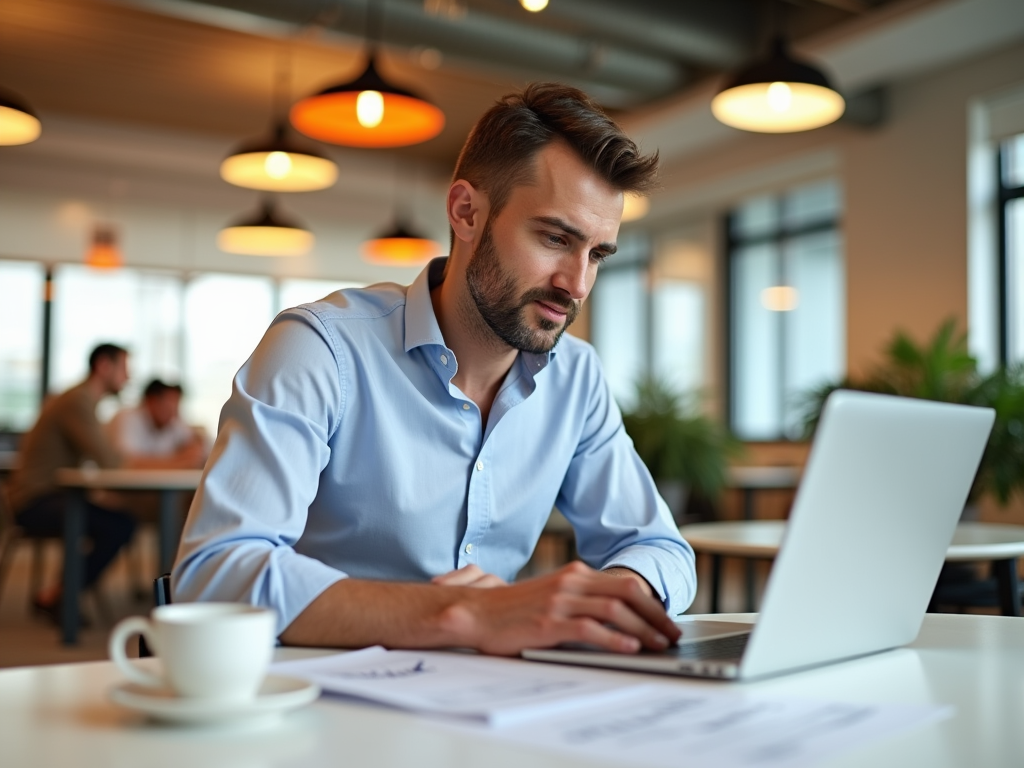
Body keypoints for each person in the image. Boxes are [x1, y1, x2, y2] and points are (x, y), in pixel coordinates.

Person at [174, 83, 696, 655]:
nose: (576, 285)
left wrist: (610, 595)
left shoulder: (576, 377)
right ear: (466, 212)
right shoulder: (320, 348)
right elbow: (213, 574)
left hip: (488, 701)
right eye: (554, 238)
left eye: (596, 254)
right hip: (319, 701)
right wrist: (464, 614)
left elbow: (660, 549)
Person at [8, 343, 137, 622]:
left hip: (50, 496)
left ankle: (58, 593)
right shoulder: (77, 401)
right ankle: (59, 596)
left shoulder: (80, 400)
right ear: (104, 366)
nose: (128, 378)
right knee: (119, 525)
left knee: (112, 519)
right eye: (124, 368)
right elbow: (108, 460)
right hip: (36, 500)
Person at [108, 379, 206, 469]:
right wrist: (178, 460)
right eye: (169, 406)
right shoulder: (126, 418)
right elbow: (127, 463)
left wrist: (193, 449)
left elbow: (197, 446)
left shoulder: (171, 421)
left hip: (159, 484)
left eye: (176, 408)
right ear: (151, 401)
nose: (173, 414)